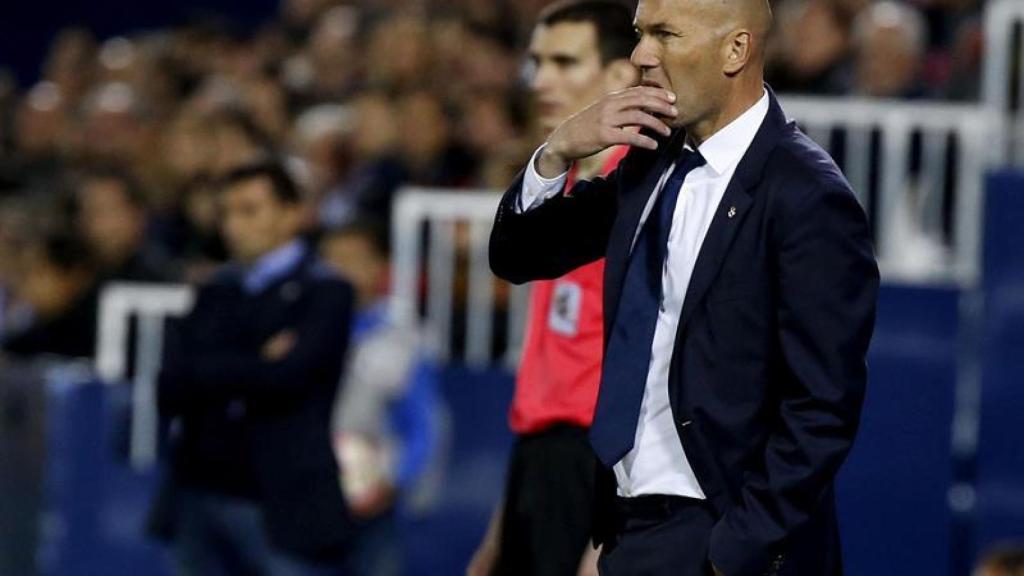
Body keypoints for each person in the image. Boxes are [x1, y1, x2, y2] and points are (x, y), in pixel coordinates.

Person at [488, 0, 880, 574]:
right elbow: (521, 254)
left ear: (736, 50)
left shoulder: (806, 194)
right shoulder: (653, 164)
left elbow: (823, 406)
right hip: (628, 525)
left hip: (719, 532)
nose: (641, 56)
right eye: (640, 33)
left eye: (666, 34)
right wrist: (558, 152)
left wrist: (736, 548)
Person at [468, 2, 639, 576]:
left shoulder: (638, 194)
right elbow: (549, 376)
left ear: (620, 76)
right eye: (537, 62)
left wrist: (609, 534)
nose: (541, 80)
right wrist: (502, 522)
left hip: (599, 467)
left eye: (565, 62)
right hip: (539, 464)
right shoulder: (560, 190)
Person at [157, 160, 358, 576]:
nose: (233, 225)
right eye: (226, 213)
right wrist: (255, 362)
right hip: (201, 491)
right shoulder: (216, 289)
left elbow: (289, 377)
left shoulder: (327, 291)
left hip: (286, 503)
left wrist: (215, 366)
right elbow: (173, 381)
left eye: (249, 210)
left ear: (291, 213)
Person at [319, 220, 445, 576]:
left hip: (373, 501)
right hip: (306, 497)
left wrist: (396, 479)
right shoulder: (298, 329)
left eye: (354, 259)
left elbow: (424, 422)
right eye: (333, 260)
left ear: (379, 267)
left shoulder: (402, 338)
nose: (342, 270)